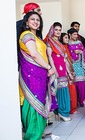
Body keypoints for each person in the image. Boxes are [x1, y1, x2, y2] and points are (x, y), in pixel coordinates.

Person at [19, 11, 54, 139]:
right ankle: (33, 135)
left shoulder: (36, 37)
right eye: (32, 19)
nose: (35, 22)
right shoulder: (26, 35)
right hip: (31, 75)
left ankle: (38, 132)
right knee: (33, 102)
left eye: (38, 20)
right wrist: (48, 67)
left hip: (39, 75)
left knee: (39, 101)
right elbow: (34, 54)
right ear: (27, 22)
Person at [45, 22, 72, 122]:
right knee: (59, 90)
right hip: (56, 69)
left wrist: (68, 71)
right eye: (56, 30)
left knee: (64, 89)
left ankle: (62, 112)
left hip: (63, 68)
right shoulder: (49, 42)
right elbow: (49, 57)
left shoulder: (60, 43)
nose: (58, 32)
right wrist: (54, 70)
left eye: (59, 30)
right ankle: (61, 111)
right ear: (52, 30)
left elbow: (64, 58)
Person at [68, 28, 85, 106]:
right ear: (70, 34)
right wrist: (73, 52)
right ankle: (74, 102)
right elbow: (67, 53)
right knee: (73, 84)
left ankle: (82, 101)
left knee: (81, 84)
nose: (76, 36)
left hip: (79, 65)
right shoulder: (68, 43)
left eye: (76, 34)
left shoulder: (79, 43)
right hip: (71, 65)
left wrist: (81, 52)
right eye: (74, 34)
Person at [60, 33, 78, 114]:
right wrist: (68, 73)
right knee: (70, 89)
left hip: (70, 69)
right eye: (66, 38)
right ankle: (71, 109)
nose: (68, 39)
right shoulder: (62, 48)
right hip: (66, 71)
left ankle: (73, 108)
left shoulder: (67, 47)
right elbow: (64, 61)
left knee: (72, 89)